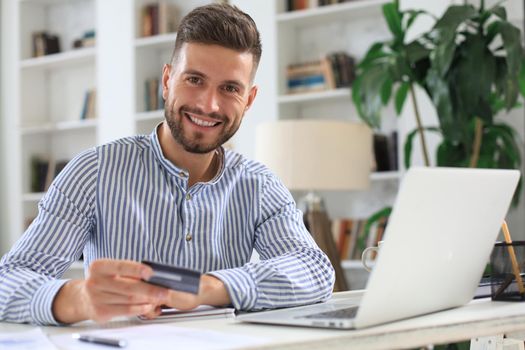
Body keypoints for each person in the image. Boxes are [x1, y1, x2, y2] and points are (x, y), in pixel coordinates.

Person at [0, 3, 335, 325]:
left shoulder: (259, 185)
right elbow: (8, 281)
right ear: (166, 81)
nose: (209, 104)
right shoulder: (94, 171)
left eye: (230, 88)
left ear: (248, 100)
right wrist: (77, 299)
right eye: (194, 80)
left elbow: (314, 270)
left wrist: (206, 287)